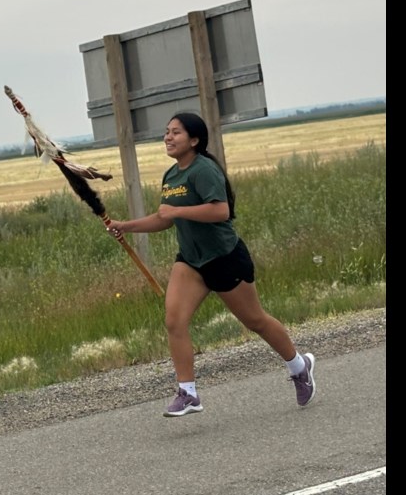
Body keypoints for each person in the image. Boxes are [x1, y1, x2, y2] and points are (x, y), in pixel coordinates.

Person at [105, 112, 316, 417]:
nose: (168, 137)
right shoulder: (172, 176)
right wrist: (127, 225)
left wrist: (178, 212)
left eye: (175, 132)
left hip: (224, 258)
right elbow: (164, 217)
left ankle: (299, 366)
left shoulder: (203, 171)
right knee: (174, 321)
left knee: (255, 321)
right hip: (191, 262)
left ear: (194, 139)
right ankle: (188, 393)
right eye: (166, 132)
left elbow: (220, 211)